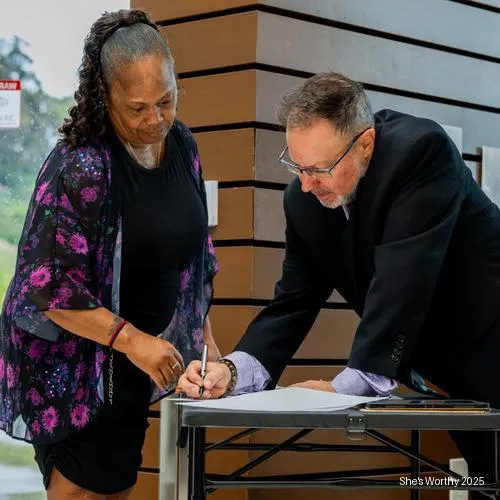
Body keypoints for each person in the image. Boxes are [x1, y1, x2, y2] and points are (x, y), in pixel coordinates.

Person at [178, 72, 500, 496]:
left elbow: (403, 276)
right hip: (445, 373)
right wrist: (233, 371)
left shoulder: (421, 151)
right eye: (297, 166)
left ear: (365, 143)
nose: (306, 184)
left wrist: (342, 389)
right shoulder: (304, 200)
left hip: (490, 339)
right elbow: (292, 301)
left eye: (319, 169)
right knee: (486, 479)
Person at [0, 8, 220, 500]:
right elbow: (48, 286)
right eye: (137, 108)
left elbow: (192, 262)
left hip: (133, 365)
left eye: (166, 101)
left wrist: (207, 349)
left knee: (116, 487)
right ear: (105, 95)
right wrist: (133, 341)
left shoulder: (183, 146)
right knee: (84, 490)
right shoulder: (81, 164)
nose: (155, 120)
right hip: (76, 370)